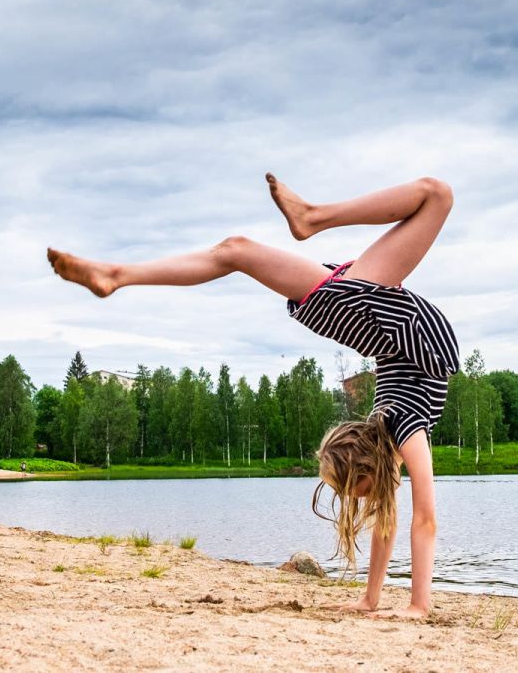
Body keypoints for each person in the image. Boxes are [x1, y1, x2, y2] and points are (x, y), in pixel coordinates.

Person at [47, 174, 458, 619]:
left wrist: (390, 601)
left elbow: (398, 521)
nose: (356, 499)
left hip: (385, 320)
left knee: (237, 250)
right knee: (433, 196)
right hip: (386, 320)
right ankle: (310, 217)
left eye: (349, 491)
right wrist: (407, 604)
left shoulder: (393, 430)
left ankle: (119, 275)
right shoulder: (402, 431)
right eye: (351, 490)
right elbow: (420, 519)